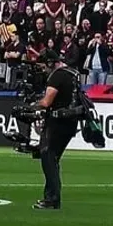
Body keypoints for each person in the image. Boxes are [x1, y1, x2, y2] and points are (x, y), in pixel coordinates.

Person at [33, 50, 81, 210]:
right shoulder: (73, 73)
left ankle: (52, 198)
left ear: (49, 63)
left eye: (44, 67)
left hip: (57, 121)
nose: (44, 71)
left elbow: (47, 101)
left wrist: (32, 105)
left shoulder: (57, 76)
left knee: (48, 156)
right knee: (53, 158)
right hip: (71, 121)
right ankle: (51, 196)